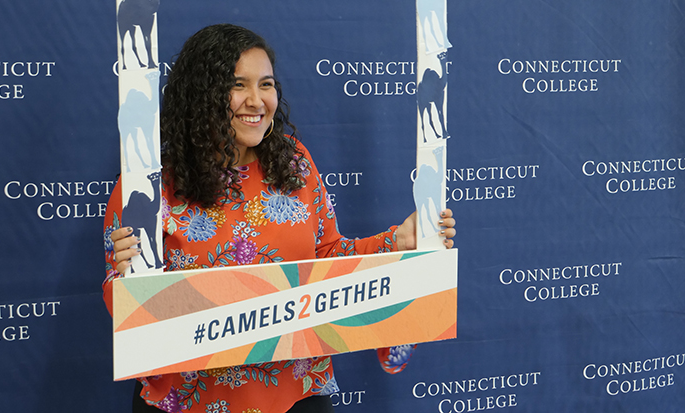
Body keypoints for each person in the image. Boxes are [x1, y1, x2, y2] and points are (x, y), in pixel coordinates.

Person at [103, 24, 456, 413]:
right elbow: (127, 307)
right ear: (202, 94)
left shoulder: (295, 163)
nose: (256, 100)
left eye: (266, 85)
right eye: (239, 85)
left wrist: (398, 244)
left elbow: (328, 256)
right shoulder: (149, 186)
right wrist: (128, 280)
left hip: (298, 393)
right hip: (191, 401)